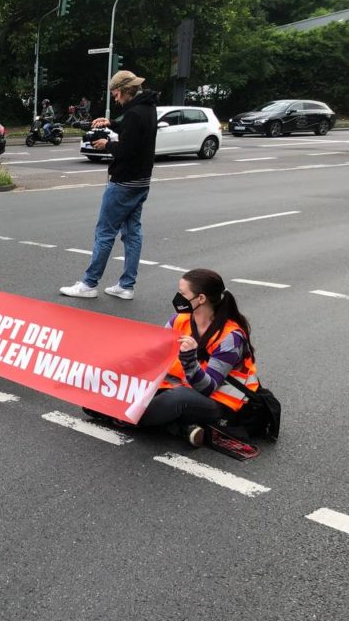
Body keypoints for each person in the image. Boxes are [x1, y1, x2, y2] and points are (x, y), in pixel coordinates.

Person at [86, 269, 259, 447]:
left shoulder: (230, 336)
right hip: (179, 385)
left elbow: (207, 388)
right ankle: (181, 427)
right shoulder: (179, 320)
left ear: (201, 299)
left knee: (177, 399)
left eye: (183, 294)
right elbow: (153, 357)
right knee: (102, 395)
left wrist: (189, 358)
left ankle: (124, 416)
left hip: (220, 401)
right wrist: (116, 370)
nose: (178, 297)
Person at [60, 70, 158, 300]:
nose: (115, 99)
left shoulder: (134, 113)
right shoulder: (148, 108)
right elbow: (134, 134)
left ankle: (89, 283)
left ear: (125, 90)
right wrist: (112, 123)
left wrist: (106, 145)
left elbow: (126, 150)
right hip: (142, 181)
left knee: (105, 232)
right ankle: (126, 285)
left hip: (124, 181)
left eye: (115, 94)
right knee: (132, 233)